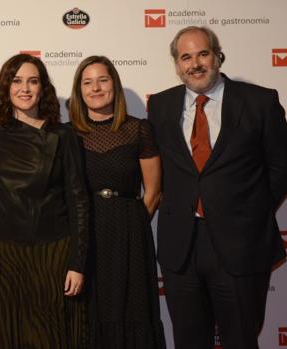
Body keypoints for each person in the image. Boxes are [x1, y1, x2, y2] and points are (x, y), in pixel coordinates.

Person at [147, 26, 287, 349]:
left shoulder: (259, 101)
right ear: (177, 64)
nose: (195, 64)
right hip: (181, 248)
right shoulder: (160, 106)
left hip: (241, 245)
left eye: (203, 53)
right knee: (188, 341)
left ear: (217, 56)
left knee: (240, 340)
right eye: (186, 57)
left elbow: (284, 167)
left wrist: (249, 210)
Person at [0, 53, 89, 348]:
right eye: (17, 80)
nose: (25, 88)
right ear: (6, 88)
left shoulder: (64, 135)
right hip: (0, 257)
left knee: (46, 337)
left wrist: (78, 262)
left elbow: (79, 202)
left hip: (50, 255)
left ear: (42, 88)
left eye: (32, 81)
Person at [69, 56, 166, 348]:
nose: (95, 88)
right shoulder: (67, 134)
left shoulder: (139, 129)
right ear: (79, 90)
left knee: (131, 310)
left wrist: (131, 225)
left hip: (129, 236)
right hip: (84, 235)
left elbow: (153, 191)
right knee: (89, 311)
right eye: (87, 82)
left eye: (102, 80)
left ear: (115, 85)